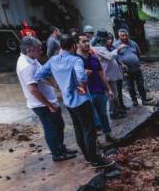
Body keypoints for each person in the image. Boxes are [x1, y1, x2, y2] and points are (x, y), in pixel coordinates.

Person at [34, 34, 114, 169]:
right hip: (81, 101)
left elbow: (39, 75)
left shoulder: (53, 60)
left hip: (68, 102)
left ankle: (88, 157)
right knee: (89, 131)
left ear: (61, 46)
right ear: (73, 46)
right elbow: (81, 75)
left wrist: (56, 85)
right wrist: (83, 87)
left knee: (79, 129)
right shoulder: (75, 60)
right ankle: (95, 160)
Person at [16, 36, 75, 162]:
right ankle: (57, 154)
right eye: (38, 49)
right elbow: (33, 89)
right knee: (51, 129)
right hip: (41, 105)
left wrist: (54, 84)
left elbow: (41, 75)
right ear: (29, 50)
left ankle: (61, 148)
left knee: (59, 125)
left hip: (49, 101)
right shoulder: (26, 66)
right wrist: (48, 104)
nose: (41, 51)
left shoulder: (32, 60)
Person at [78, 33, 115, 142]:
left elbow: (101, 74)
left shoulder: (93, 57)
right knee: (92, 119)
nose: (87, 43)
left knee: (103, 114)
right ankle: (96, 142)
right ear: (77, 44)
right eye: (83, 41)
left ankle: (108, 135)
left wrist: (108, 89)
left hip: (99, 90)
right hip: (86, 93)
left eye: (87, 41)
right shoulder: (76, 60)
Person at [92, 31, 127, 119]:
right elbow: (109, 56)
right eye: (107, 38)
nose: (109, 40)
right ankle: (113, 113)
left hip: (111, 75)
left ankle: (116, 110)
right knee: (112, 95)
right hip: (107, 76)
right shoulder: (99, 48)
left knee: (115, 95)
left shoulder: (103, 47)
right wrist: (119, 49)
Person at [114, 28, 152, 106]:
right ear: (119, 37)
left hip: (137, 68)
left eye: (126, 35)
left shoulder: (133, 43)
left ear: (128, 35)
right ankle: (134, 100)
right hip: (126, 71)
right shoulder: (116, 45)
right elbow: (114, 57)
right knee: (130, 86)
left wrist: (136, 60)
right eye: (122, 36)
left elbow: (138, 53)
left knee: (140, 85)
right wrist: (121, 64)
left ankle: (144, 99)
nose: (124, 37)